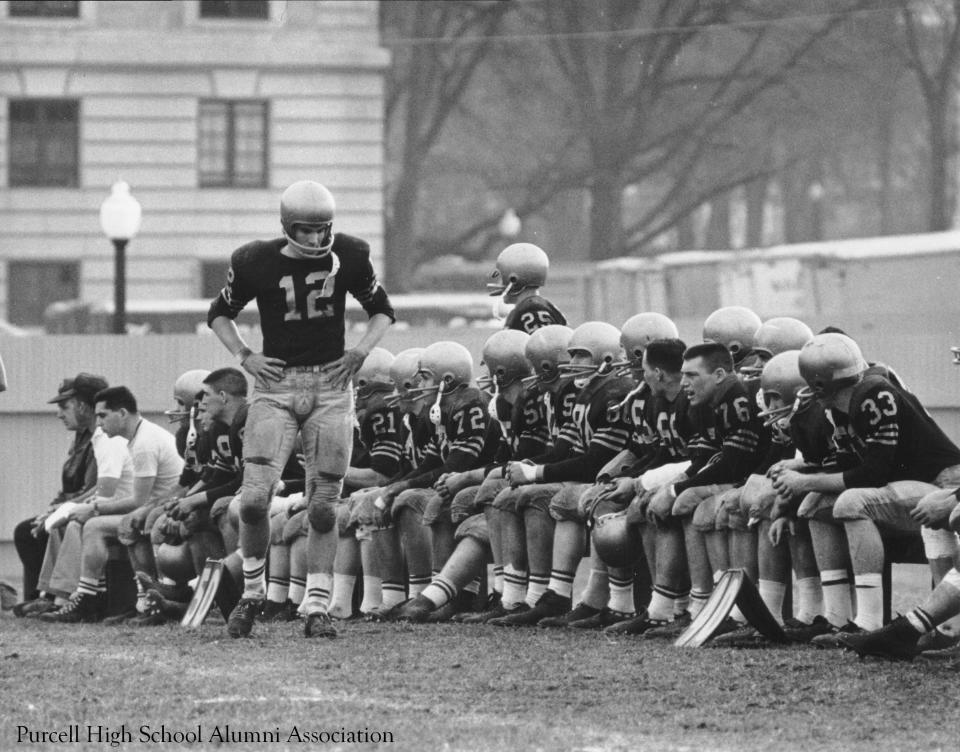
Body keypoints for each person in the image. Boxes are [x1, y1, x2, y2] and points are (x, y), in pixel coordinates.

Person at [207, 179, 394, 639]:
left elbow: (382, 309)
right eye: (305, 230)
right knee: (252, 499)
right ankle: (252, 594)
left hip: (331, 385)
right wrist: (245, 356)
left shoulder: (350, 253)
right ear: (287, 227)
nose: (315, 239)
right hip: (276, 386)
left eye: (321, 230)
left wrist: (360, 353)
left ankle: (316, 605)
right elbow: (219, 312)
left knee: (324, 506)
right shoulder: (255, 260)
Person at [773, 333, 960, 646]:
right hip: (913, 486)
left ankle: (869, 622)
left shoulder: (873, 393)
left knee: (851, 502)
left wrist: (806, 481)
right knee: (814, 507)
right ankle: (837, 617)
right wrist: (803, 476)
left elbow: (872, 473)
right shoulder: (844, 404)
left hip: (944, 483)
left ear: (819, 383)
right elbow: (849, 468)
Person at [41, 386, 183, 622]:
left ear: (123, 413)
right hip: (157, 510)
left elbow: (138, 501)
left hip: (168, 512)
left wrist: (93, 508)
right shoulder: (139, 436)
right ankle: (141, 603)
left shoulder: (144, 442)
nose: (98, 423)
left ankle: (88, 598)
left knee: (96, 526)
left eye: (103, 415)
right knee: (120, 524)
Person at [12, 373, 107, 616]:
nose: (59, 414)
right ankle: (40, 596)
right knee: (29, 529)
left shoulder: (101, 437)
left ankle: (50, 597)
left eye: (65, 406)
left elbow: (96, 488)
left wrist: (59, 511)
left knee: (38, 529)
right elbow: (70, 486)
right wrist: (53, 508)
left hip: (95, 508)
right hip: (77, 505)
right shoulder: (82, 437)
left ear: (84, 407)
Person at [487, 243, 566, 332]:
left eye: (502, 277)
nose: (500, 283)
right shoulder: (544, 307)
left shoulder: (531, 310)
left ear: (514, 279)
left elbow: (541, 343)